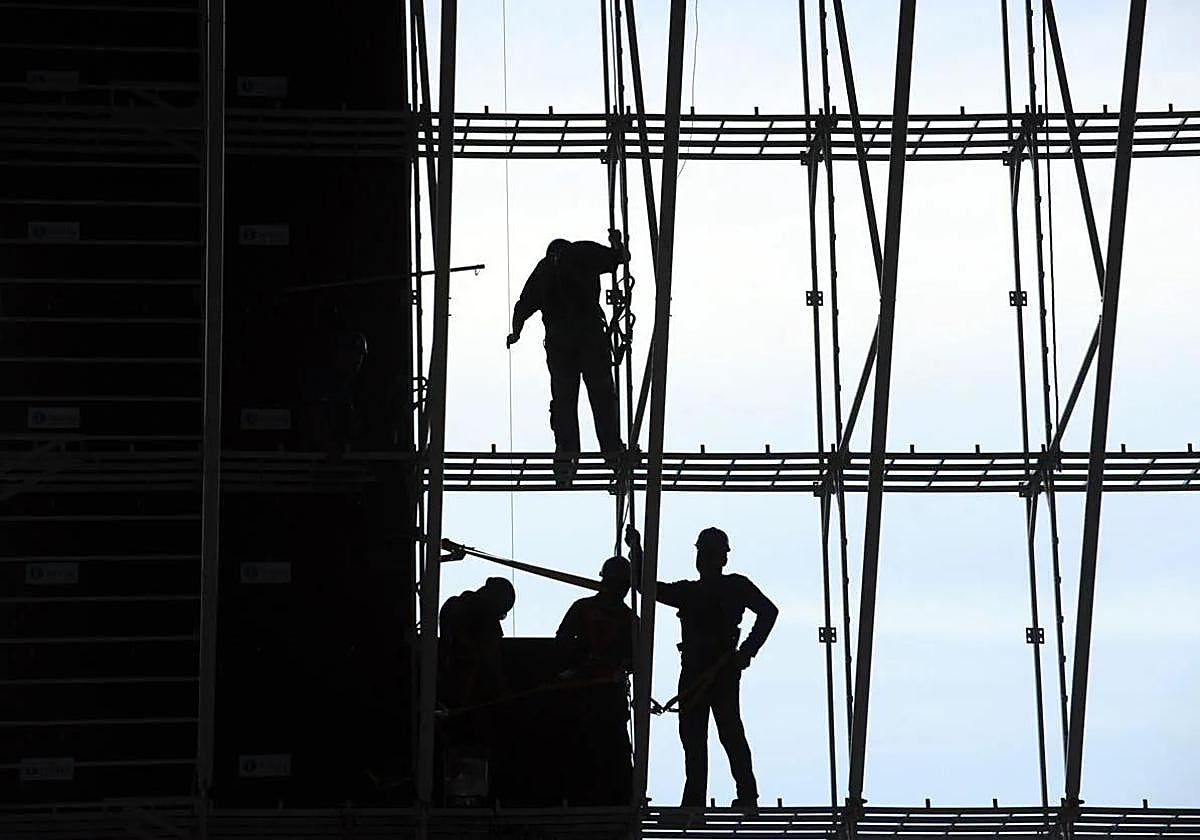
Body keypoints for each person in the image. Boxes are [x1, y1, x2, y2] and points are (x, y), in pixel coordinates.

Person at [626, 524, 778, 809]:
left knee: (726, 734)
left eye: (708, 554)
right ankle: (701, 800)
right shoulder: (693, 591)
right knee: (697, 738)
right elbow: (647, 587)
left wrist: (745, 653)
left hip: (718, 671)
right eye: (703, 554)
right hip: (699, 671)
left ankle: (744, 796)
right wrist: (637, 552)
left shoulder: (733, 586)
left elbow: (769, 612)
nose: (704, 560)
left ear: (721, 558)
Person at [507, 232, 629, 485]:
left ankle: (567, 455)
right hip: (590, 338)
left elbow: (523, 305)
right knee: (601, 394)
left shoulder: (542, 270)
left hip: (559, 343)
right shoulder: (581, 252)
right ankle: (612, 452)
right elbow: (618, 259)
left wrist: (515, 332)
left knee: (564, 399)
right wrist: (617, 244)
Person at [555, 554, 636, 805]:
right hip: (583, 693)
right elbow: (562, 643)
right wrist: (581, 662)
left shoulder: (627, 619)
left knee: (613, 751)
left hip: (607, 694)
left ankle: (617, 797)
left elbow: (635, 658)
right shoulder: (585, 609)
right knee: (584, 747)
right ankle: (584, 797)